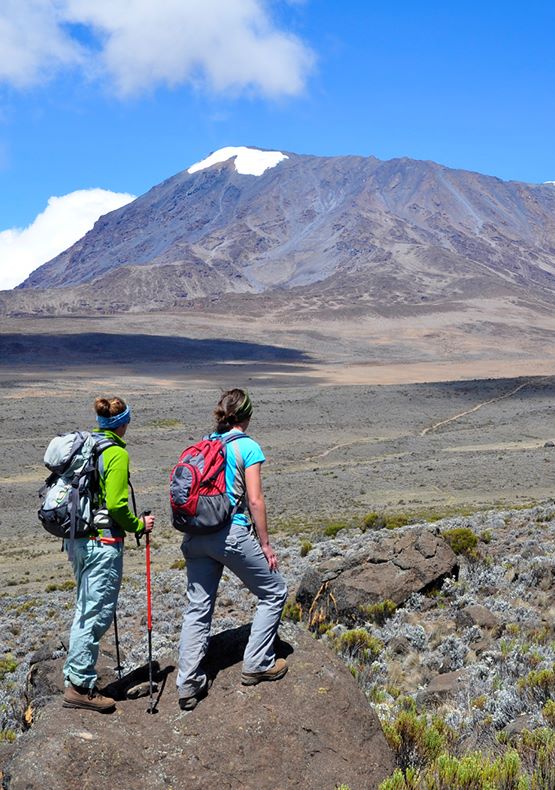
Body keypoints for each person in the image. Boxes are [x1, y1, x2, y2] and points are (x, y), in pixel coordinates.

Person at [176, 388, 288, 711]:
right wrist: (265, 545)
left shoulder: (206, 443)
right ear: (247, 416)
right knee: (275, 591)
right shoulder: (247, 447)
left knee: (197, 608)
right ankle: (257, 662)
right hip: (230, 533)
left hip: (196, 535)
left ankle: (187, 684)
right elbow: (255, 500)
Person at [63, 396, 155, 712]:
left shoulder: (86, 447)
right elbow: (116, 505)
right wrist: (138, 524)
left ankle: (76, 678)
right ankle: (80, 688)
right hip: (102, 544)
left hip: (77, 541)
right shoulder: (115, 453)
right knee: (96, 613)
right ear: (123, 423)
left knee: (85, 609)